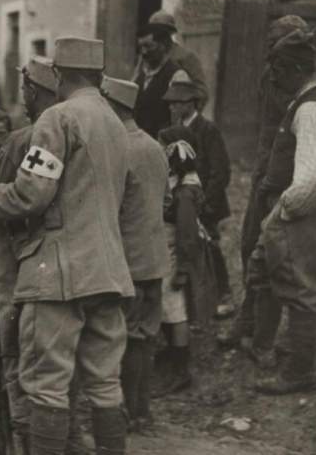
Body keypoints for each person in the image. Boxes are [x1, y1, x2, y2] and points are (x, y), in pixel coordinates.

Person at [0, 37, 132, 454]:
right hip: (108, 272)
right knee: (104, 384)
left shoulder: (58, 119)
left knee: (46, 387)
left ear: (60, 75)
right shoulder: (116, 123)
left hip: (58, 276)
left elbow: (30, 196)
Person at [221, 15, 316, 349]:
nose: (270, 51)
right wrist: (262, 173)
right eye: (270, 44)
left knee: (288, 261)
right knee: (250, 247)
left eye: (277, 44)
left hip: (303, 181)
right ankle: (250, 320)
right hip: (268, 177)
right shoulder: (272, 75)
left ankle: (273, 340)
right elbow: (268, 130)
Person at [248, 31, 316, 394]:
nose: (272, 77)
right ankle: (267, 348)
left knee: (302, 285)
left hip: (307, 206)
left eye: (277, 68)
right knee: (266, 269)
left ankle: (299, 371)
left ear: (294, 68)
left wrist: (284, 211)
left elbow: (312, 176)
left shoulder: (310, 109)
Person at [0, 56, 60, 452]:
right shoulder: (81, 129)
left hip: (23, 259)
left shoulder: (23, 140)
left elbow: (8, 200)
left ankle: (23, 438)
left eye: (25, 92)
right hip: (68, 264)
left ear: (33, 91)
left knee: (16, 351)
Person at [101, 76, 169, 432]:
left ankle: (126, 411)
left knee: (123, 339)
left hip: (126, 261)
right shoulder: (153, 146)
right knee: (145, 338)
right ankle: (143, 411)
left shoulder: (117, 148)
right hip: (155, 260)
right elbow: (166, 200)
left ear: (112, 105)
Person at [162, 70, 233, 318]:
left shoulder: (207, 130)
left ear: (190, 103)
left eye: (178, 102)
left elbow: (220, 171)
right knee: (186, 248)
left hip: (205, 202)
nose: (173, 106)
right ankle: (194, 301)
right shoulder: (172, 130)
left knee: (210, 247)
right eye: (170, 102)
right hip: (183, 201)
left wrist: (205, 203)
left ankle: (224, 294)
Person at [154, 125, 215, 396]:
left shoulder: (186, 191)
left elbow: (187, 233)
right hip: (168, 248)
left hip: (176, 253)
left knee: (175, 309)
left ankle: (181, 368)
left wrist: (182, 270)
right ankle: (172, 353)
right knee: (167, 306)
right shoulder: (179, 181)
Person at [134, 10, 207, 91]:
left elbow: (201, 90)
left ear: (170, 33)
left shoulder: (186, 56)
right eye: (152, 30)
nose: (157, 33)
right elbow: (135, 81)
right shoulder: (147, 56)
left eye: (161, 30)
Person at [133, 23, 181, 138]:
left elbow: (178, 121)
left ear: (163, 45)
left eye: (149, 46)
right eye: (141, 47)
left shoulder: (177, 75)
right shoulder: (140, 74)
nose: (143, 52)